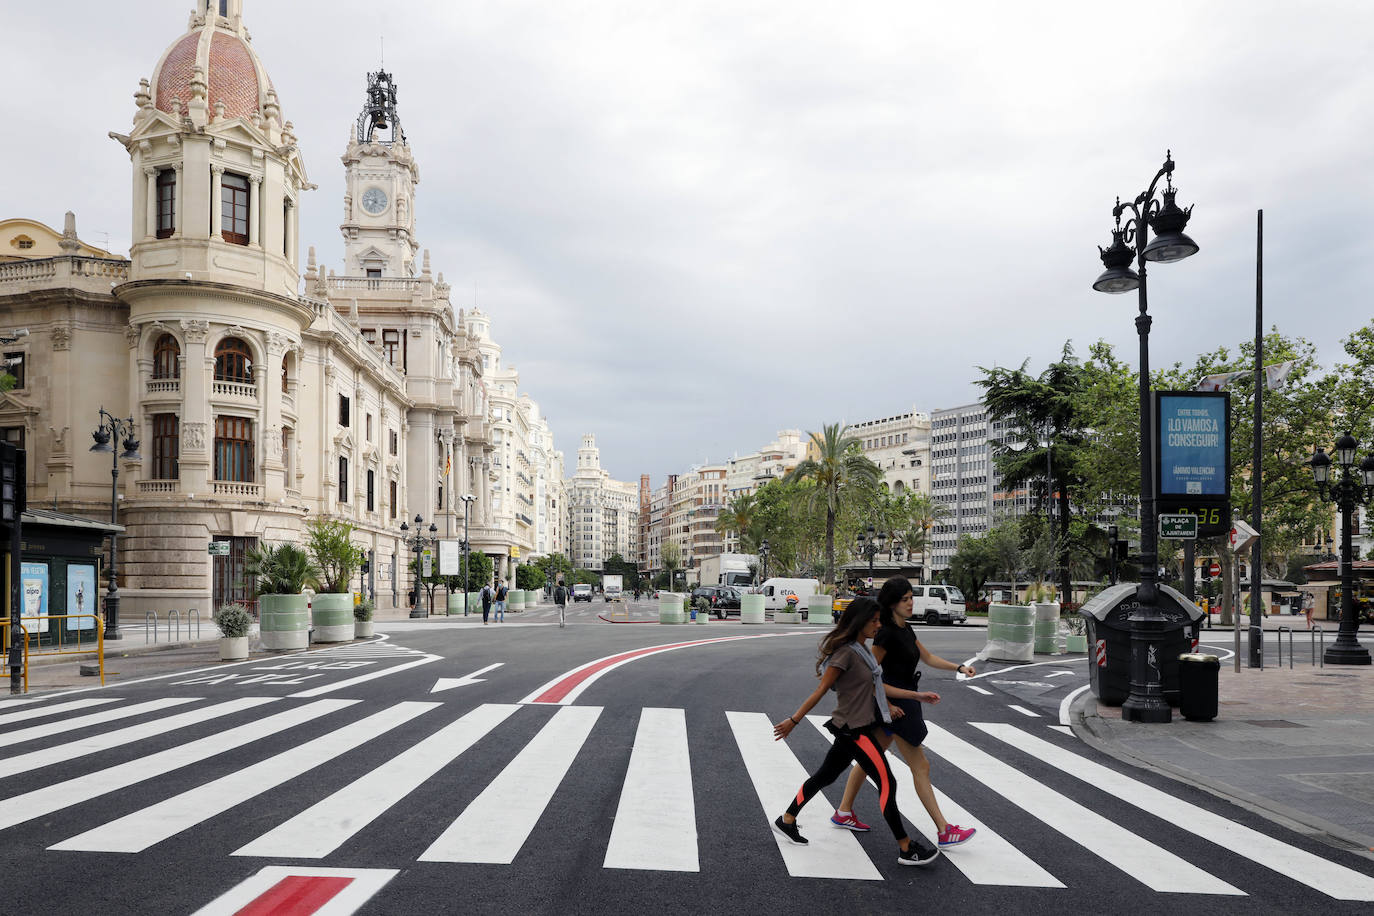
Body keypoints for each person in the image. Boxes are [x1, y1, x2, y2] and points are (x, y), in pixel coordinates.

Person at [772, 598, 941, 867]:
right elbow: (820, 691)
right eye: (874, 620)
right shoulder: (846, 653)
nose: (878, 624)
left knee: (824, 776)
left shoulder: (861, 649)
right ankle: (906, 847)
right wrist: (794, 720)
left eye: (879, 620)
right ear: (859, 622)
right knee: (888, 783)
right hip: (854, 730)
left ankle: (788, 819)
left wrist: (908, 699)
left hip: (853, 726)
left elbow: (876, 686)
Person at [831, 577, 977, 849]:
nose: (911, 603)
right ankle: (944, 830)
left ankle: (843, 811)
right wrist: (887, 703)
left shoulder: (906, 629)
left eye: (911, 597)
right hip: (895, 706)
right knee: (920, 765)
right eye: (905, 599)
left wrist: (959, 667)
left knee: (868, 759)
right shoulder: (885, 633)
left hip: (903, 703)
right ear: (892, 603)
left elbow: (928, 658)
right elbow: (869, 674)